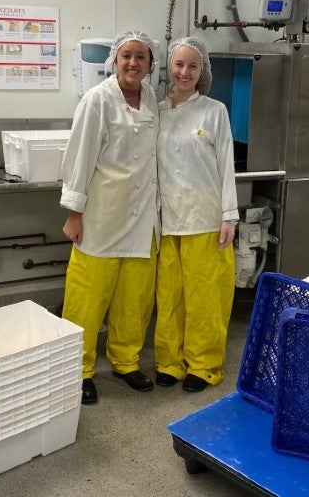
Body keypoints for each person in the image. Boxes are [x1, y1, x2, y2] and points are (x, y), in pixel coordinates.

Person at [60, 30, 161, 405]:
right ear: (114, 61)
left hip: (141, 220)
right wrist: (74, 214)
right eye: (126, 56)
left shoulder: (151, 98)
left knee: (134, 300)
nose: (133, 63)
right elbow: (79, 159)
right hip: (101, 216)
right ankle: (79, 368)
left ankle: (125, 360)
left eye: (141, 57)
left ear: (151, 64)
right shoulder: (97, 100)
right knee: (87, 299)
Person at [154, 36, 238, 393]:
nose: (184, 71)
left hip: (205, 217)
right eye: (179, 64)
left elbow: (226, 166)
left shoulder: (214, 110)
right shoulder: (156, 111)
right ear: (169, 68)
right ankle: (169, 361)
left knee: (205, 297)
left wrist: (229, 215)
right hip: (167, 218)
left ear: (202, 70)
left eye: (192, 65)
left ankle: (204, 365)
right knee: (169, 294)